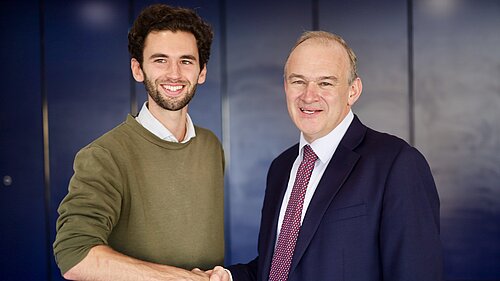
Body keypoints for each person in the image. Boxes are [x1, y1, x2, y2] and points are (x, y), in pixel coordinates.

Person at [210, 31, 443, 281]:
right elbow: (280, 265)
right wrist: (228, 276)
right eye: (298, 81)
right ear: (285, 87)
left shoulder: (396, 163)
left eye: (326, 83)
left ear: (353, 91)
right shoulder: (281, 167)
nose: (309, 96)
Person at [53, 4, 225, 280]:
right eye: (160, 60)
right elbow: (75, 255)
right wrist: (180, 278)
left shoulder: (210, 145)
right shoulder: (104, 155)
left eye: (186, 60)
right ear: (138, 69)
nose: (174, 73)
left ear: (201, 71)